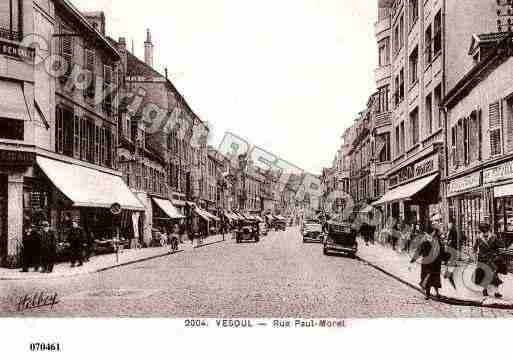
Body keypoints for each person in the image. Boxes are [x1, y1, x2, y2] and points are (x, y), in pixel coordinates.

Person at [410, 224, 446, 300]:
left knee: (434, 278)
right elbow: (420, 250)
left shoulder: (437, 241)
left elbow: (442, 251)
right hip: (429, 263)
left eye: (435, 232)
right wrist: (414, 258)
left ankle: (435, 293)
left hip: (433, 263)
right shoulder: (429, 241)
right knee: (429, 278)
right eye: (434, 232)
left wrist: (444, 259)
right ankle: (429, 294)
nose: (434, 234)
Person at [473, 222, 506, 298]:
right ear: (481, 230)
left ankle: (496, 292)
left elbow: (501, 246)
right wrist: (475, 257)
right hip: (482, 259)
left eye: (486, 230)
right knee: (483, 275)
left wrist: (497, 254)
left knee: (494, 276)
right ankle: (484, 290)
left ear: (488, 229)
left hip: (492, 259)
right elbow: (474, 248)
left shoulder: (494, 237)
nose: (485, 232)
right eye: (483, 230)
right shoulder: (478, 237)